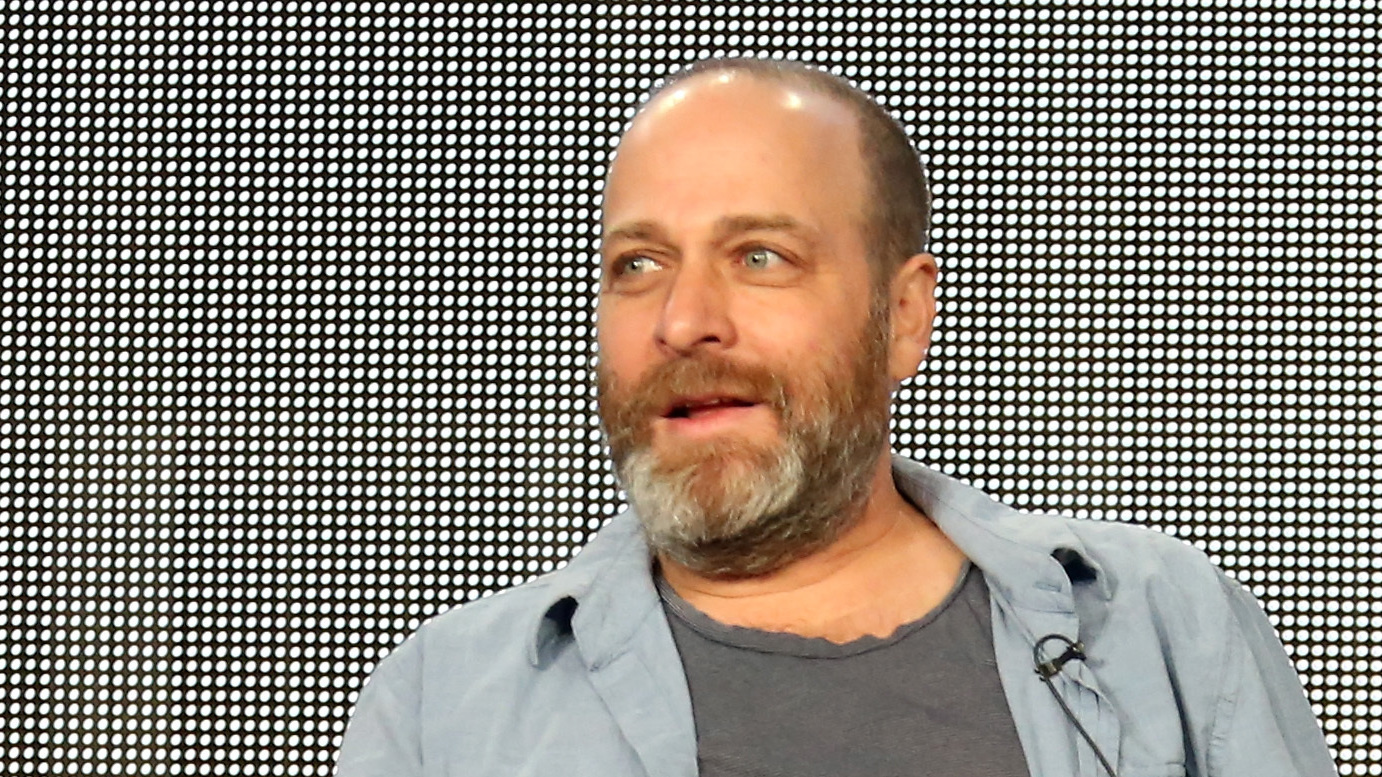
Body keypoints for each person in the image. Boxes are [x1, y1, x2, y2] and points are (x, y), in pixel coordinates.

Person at [336, 58, 1336, 777]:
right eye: (636, 265)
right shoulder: (441, 704)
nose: (683, 321)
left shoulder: (1159, 625)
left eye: (760, 254)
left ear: (900, 318)